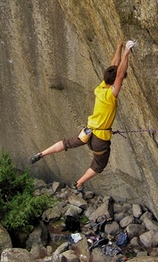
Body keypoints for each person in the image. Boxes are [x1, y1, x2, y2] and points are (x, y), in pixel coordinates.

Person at [29, 39, 135, 192]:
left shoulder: (101, 88)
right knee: (99, 165)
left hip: (88, 132)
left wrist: (119, 47)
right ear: (115, 83)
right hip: (100, 140)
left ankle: (41, 153)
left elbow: (114, 69)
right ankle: (79, 183)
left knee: (67, 143)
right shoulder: (111, 95)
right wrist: (126, 53)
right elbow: (119, 75)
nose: (121, 80)